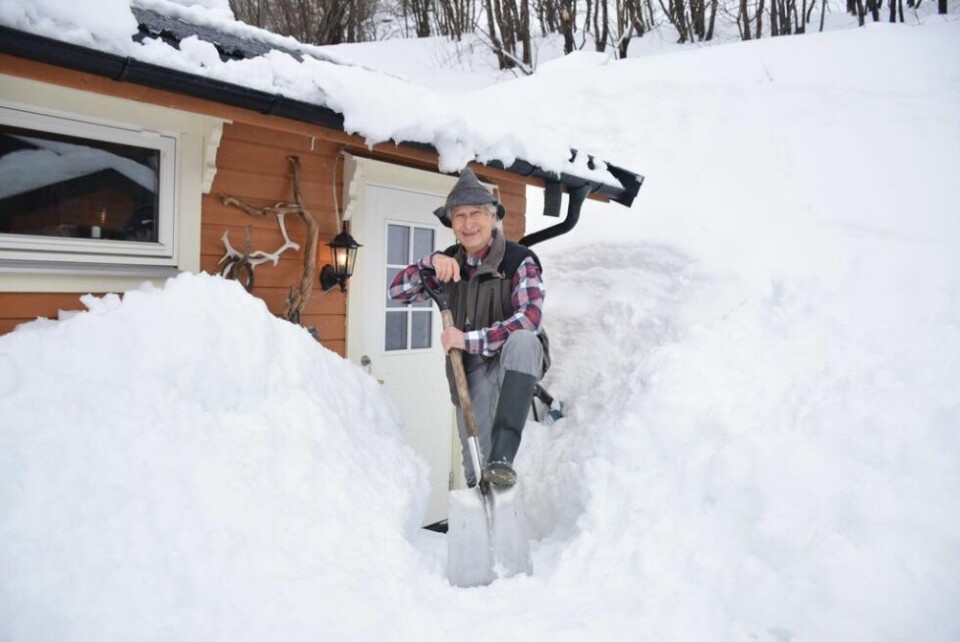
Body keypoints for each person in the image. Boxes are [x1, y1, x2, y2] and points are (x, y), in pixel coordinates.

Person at [388, 168, 549, 489]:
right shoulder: (448, 264)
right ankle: (484, 514)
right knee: (477, 464)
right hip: (469, 370)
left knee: (523, 341)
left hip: (511, 363)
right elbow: (398, 293)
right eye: (459, 215)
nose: (468, 222)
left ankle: (503, 457)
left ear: (492, 218)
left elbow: (530, 318)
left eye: (476, 213)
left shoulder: (519, 260)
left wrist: (468, 339)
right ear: (452, 223)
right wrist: (428, 262)